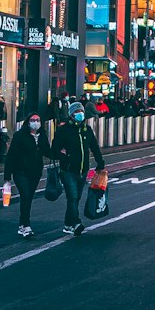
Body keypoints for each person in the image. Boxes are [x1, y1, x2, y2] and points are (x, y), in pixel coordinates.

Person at [51, 101, 105, 236]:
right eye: (76, 112)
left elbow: (94, 147)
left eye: (80, 111)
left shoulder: (86, 129)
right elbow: (54, 150)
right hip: (68, 170)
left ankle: (68, 224)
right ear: (71, 115)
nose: (79, 114)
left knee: (76, 198)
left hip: (83, 169)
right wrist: (64, 157)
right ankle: (75, 223)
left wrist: (100, 161)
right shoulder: (63, 130)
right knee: (73, 197)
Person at [4, 111, 53, 237]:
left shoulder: (42, 135)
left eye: (38, 120)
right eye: (33, 120)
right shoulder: (20, 136)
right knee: (25, 196)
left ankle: (22, 224)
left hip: (35, 172)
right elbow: (11, 155)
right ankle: (26, 225)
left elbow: (47, 151)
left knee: (29, 198)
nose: (36, 122)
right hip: (21, 172)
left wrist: (62, 154)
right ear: (28, 122)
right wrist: (7, 177)